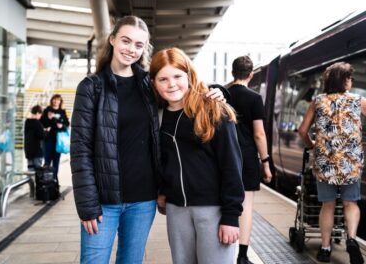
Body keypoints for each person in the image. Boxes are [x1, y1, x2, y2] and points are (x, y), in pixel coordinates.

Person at [70, 16, 224, 264]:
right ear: (112, 40)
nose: (131, 49)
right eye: (126, 41)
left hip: (143, 199)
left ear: (144, 49)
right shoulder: (91, 87)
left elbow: (181, 93)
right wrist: (87, 204)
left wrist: (218, 92)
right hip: (102, 201)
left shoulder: (147, 85)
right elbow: (80, 150)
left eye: (139, 45)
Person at [150, 47, 245, 264]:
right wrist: (163, 191)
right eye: (163, 78)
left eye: (177, 76)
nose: (171, 84)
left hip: (213, 209)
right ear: (154, 83)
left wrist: (231, 216)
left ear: (189, 76)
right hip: (176, 210)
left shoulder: (212, 109)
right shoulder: (156, 116)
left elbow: (231, 164)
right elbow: (164, 160)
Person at [298, 62, 365, 264]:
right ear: (344, 80)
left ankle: (325, 249)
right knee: (350, 203)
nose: (351, 82)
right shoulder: (358, 101)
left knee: (327, 205)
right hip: (350, 162)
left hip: (325, 163)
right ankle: (351, 239)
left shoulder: (317, 101)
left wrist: (312, 146)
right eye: (350, 78)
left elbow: (302, 131)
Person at [227, 55, 272, 264]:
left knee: (224, 204)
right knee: (245, 206)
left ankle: (224, 251)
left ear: (232, 72)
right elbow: (259, 134)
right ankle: (242, 256)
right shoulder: (254, 98)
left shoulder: (222, 94)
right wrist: (266, 162)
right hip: (246, 157)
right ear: (251, 75)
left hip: (223, 156)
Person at [40, 94, 69, 181]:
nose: (56, 102)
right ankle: (46, 182)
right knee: (47, 161)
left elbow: (67, 124)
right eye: (54, 100)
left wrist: (61, 126)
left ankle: (54, 182)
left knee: (56, 162)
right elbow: (42, 123)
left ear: (60, 102)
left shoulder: (62, 112)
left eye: (58, 100)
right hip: (48, 139)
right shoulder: (47, 110)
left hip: (58, 141)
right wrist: (48, 118)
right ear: (52, 100)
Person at [24, 105, 45, 171]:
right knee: (38, 172)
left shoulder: (27, 122)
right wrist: (46, 131)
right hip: (37, 151)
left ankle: (31, 181)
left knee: (30, 171)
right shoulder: (38, 123)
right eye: (40, 115)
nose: (40, 117)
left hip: (28, 151)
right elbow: (41, 136)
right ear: (37, 113)